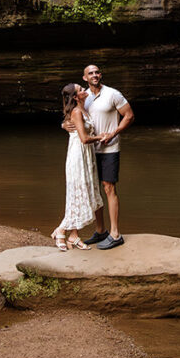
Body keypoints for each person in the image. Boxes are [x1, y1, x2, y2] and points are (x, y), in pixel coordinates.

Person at [80, 64, 134, 250]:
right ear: (85, 78)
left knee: (108, 187)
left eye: (97, 72)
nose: (95, 75)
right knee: (95, 189)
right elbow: (71, 116)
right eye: (91, 73)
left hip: (110, 148)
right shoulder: (83, 97)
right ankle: (100, 230)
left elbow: (129, 115)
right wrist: (66, 126)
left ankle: (115, 233)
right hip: (89, 150)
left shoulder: (113, 94)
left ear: (100, 75)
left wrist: (113, 133)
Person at [51, 83, 105, 251]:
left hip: (86, 156)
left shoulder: (83, 109)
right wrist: (100, 137)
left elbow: (70, 122)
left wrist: (64, 124)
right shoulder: (76, 111)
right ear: (76, 97)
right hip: (78, 156)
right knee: (77, 193)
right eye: (81, 90)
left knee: (82, 194)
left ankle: (73, 236)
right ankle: (61, 230)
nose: (84, 90)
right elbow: (83, 138)